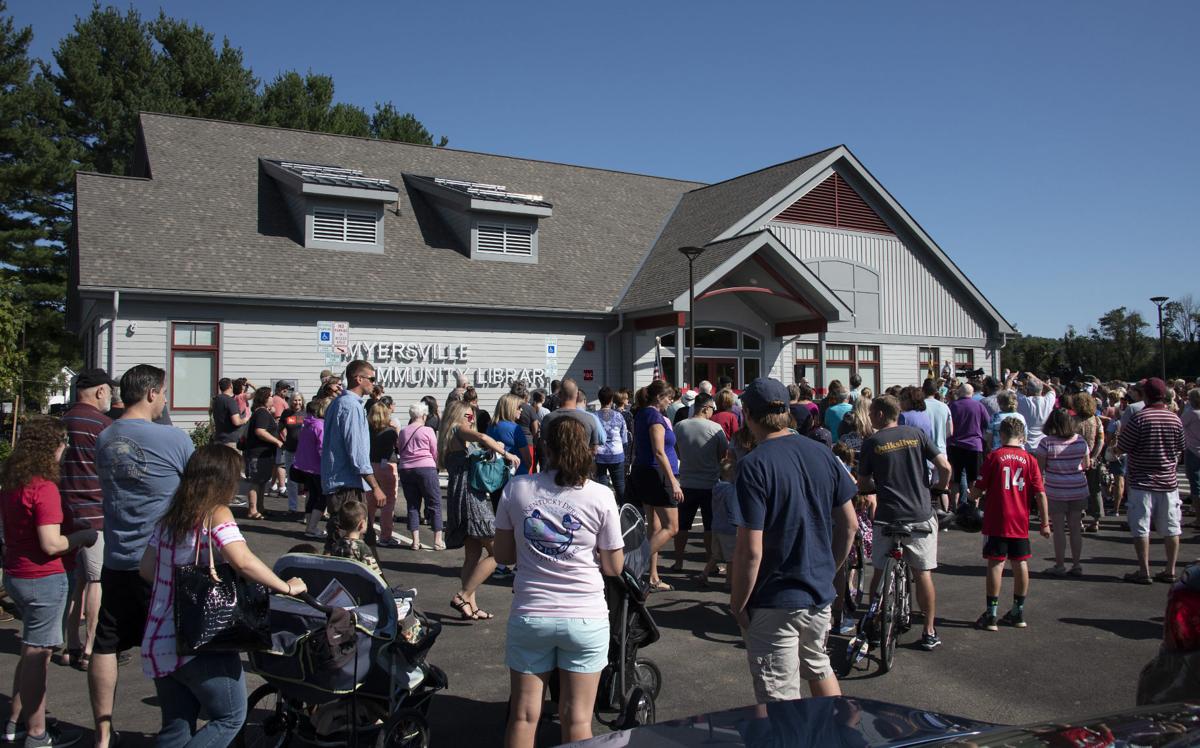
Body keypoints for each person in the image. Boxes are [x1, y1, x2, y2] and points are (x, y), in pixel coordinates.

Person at [138, 445, 305, 747]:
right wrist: (286, 586)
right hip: (202, 640)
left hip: (159, 637)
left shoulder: (170, 517)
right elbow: (243, 561)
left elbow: (147, 569)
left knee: (176, 727)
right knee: (230, 717)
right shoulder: (216, 513)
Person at [495, 417, 625, 747]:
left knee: (523, 716)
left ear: (546, 448)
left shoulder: (517, 488)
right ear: (588, 449)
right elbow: (614, 567)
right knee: (577, 718)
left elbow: (503, 555)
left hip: (531, 612)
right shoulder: (601, 495)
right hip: (585, 616)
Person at [728, 378, 858, 702]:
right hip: (817, 594)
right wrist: (828, 570)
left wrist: (738, 602)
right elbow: (850, 525)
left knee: (780, 697)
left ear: (747, 414)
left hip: (775, 597)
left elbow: (750, 551)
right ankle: (837, 728)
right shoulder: (822, 453)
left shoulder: (753, 465)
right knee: (818, 666)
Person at [91, 365, 194, 748]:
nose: (164, 400)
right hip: (160, 562)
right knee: (169, 645)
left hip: (117, 556)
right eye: (163, 393)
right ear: (151, 393)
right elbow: (197, 491)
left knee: (106, 643)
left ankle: (102, 735)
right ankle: (175, 732)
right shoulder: (173, 439)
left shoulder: (105, 437)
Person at [2, 418, 99, 748]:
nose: (65, 448)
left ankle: (17, 721)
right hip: (42, 578)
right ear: (51, 446)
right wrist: (83, 537)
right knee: (38, 657)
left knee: (31, 650)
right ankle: (36, 733)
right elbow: (51, 543)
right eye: (63, 442)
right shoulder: (44, 488)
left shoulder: (14, 481)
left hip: (17, 573)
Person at [857, 394, 952, 651]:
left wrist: (871, 489)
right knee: (923, 573)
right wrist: (938, 490)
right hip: (919, 514)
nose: (870, 417)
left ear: (879, 414)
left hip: (888, 515)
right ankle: (929, 630)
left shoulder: (873, 442)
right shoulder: (916, 434)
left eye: (871, 413)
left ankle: (876, 622)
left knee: (880, 571)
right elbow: (945, 467)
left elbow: (863, 481)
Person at [57, 369, 116, 673]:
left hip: (62, 514)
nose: (111, 397)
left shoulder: (62, 422)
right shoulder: (102, 425)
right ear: (100, 391)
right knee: (95, 580)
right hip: (94, 514)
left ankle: (69, 644)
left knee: (76, 582)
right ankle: (91, 647)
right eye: (110, 391)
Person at [440, 400, 520, 621]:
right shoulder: (458, 430)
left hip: (462, 494)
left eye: (472, 416)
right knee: (499, 552)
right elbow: (483, 437)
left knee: (472, 555)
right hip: (470, 496)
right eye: (468, 416)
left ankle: (470, 606)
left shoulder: (451, 436)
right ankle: (463, 596)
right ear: (457, 416)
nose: (471, 419)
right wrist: (506, 453)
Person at [970, 417, 1050, 630]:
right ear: (1022, 436)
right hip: (1020, 518)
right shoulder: (1029, 459)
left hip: (997, 518)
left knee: (996, 563)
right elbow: (1040, 494)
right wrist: (1044, 522)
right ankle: (1018, 610)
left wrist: (970, 496)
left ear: (1002, 435)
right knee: (1020, 562)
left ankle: (991, 613)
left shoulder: (995, 457)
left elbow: (978, 488)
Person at [1116, 377, 1185, 585]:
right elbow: (1180, 448)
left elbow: (1123, 446)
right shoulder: (1174, 418)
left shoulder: (1140, 418)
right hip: (1168, 481)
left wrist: (1115, 450)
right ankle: (1170, 569)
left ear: (1145, 395)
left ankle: (1144, 570)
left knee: (1141, 527)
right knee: (1172, 528)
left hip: (1142, 480)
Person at [320, 361, 386, 552]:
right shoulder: (351, 406)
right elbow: (357, 453)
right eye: (371, 379)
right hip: (346, 486)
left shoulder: (338, 403)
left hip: (338, 483)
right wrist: (375, 487)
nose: (374, 383)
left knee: (343, 542)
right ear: (358, 378)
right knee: (350, 544)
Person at [628, 379, 682, 592]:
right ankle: (631, 562)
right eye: (668, 398)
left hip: (646, 472)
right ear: (659, 397)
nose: (670, 401)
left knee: (655, 527)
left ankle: (652, 576)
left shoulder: (642, 413)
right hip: (656, 474)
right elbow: (659, 451)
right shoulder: (654, 417)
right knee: (671, 527)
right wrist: (673, 481)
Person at [671, 392, 729, 583]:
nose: (713, 412)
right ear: (705, 408)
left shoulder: (680, 426)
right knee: (709, 526)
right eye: (712, 408)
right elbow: (723, 454)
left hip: (687, 482)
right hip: (710, 483)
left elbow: (677, 451)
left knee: (683, 525)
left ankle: (678, 561)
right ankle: (711, 563)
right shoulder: (715, 428)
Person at [1035, 409, 1089, 576]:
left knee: (1058, 529)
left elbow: (1039, 469)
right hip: (1078, 487)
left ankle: (1060, 565)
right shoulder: (1080, 440)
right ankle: (1076, 564)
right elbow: (1086, 464)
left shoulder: (1046, 443)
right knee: (1075, 528)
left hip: (1056, 489)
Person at [397, 401, 444, 551]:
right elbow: (434, 450)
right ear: (424, 415)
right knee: (434, 503)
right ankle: (438, 540)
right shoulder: (428, 430)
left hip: (406, 469)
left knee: (413, 505)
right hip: (426, 467)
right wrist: (436, 464)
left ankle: (415, 541)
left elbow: (400, 449)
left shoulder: (403, 431)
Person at [947, 383, 990, 511]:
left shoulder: (953, 406)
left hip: (955, 445)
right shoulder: (979, 406)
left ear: (960, 392)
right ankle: (973, 508)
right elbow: (987, 423)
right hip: (974, 446)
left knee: (955, 479)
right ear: (972, 393)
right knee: (974, 479)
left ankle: (955, 508)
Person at [243, 386, 284, 520]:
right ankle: (252, 510)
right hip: (258, 453)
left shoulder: (264, 412)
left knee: (262, 481)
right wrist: (277, 442)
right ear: (264, 398)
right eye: (271, 396)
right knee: (256, 481)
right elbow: (260, 431)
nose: (273, 398)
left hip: (265, 454)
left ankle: (260, 507)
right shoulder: (261, 413)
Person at [293, 397, 329, 539]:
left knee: (313, 496)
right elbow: (322, 448)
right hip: (317, 467)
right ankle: (312, 527)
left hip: (305, 466)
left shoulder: (306, 424)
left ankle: (309, 525)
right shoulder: (320, 425)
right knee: (322, 497)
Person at [368, 401, 402, 548]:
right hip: (387, 464)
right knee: (388, 502)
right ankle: (385, 536)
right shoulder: (390, 431)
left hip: (370, 465)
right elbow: (398, 446)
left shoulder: (367, 429)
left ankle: (368, 532)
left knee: (370, 501)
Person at [1072, 392, 1106, 533]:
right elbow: (1101, 441)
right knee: (1095, 489)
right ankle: (1096, 520)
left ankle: (1079, 519)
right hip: (1093, 460)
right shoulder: (1096, 420)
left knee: (1077, 490)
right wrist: (1093, 457)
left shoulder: (1072, 420)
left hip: (1075, 460)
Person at [539, 379, 602, 451]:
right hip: (582, 458)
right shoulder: (590, 419)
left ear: (559, 395)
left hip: (555, 458)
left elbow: (543, 445)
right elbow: (594, 448)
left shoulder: (548, 418)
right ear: (577, 395)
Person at [328, 500, 383, 576]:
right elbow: (375, 574)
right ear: (362, 524)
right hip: (357, 582)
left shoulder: (337, 544)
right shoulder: (362, 548)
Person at [593, 386, 628, 503]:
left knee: (602, 487)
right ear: (611, 399)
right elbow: (624, 438)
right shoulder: (619, 416)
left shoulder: (594, 416)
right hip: (616, 453)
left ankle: (604, 509)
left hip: (599, 455)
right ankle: (623, 510)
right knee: (620, 486)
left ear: (599, 399)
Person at [1012, 372, 1056, 452]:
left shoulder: (1024, 401)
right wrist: (1036, 379)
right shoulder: (1047, 401)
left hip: (1025, 445)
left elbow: (1009, 390)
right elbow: (1052, 390)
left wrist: (1011, 378)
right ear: (1042, 390)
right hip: (1043, 445)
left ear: (1028, 390)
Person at [488, 394, 530, 477]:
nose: (521, 410)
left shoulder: (490, 426)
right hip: (516, 476)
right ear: (510, 408)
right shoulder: (515, 428)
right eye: (519, 407)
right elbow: (528, 460)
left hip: (496, 475)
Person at [278, 392, 306, 514]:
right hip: (290, 450)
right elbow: (279, 428)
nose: (297, 403)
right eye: (295, 400)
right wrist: (282, 441)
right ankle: (292, 507)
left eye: (299, 400)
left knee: (306, 480)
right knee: (291, 480)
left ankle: (308, 510)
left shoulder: (306, 413)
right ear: (291, 401)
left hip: (304, 452)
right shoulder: (286, 413)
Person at [210, 377, 245, 447]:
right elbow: (236, 422)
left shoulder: (216, 400)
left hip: (219, 439)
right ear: (231, 386)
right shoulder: (230, 401)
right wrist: (246, 419)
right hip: (231, 441)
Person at [923, 379, 953, 461]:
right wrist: (941, 436)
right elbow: (950, 431)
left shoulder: (919, 407)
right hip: (941, 450)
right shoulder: (945, 407)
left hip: (925, 450)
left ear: (923, 390)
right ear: (936, 391)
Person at [1183, 389, 1200, 520]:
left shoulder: (1192, 414)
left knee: (1195, 484)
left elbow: (1179, 424)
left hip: (1193, 450)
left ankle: (1198, 517)